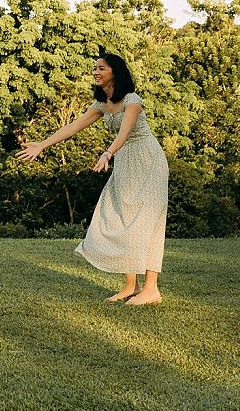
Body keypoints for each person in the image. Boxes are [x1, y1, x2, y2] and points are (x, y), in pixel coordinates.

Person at [17, 52, 169, 305]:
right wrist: (42, 145)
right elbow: (73, 127)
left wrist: (109, 152)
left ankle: (151, 289)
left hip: (147, 160)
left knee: (145, 221)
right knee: (120, 215)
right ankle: (130, 286)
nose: (96, 72)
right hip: (125, 161)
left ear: (115, 72)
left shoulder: (132, 100)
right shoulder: (101, 104)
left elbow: (125, 130)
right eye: (95, 68)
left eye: (102, 68)